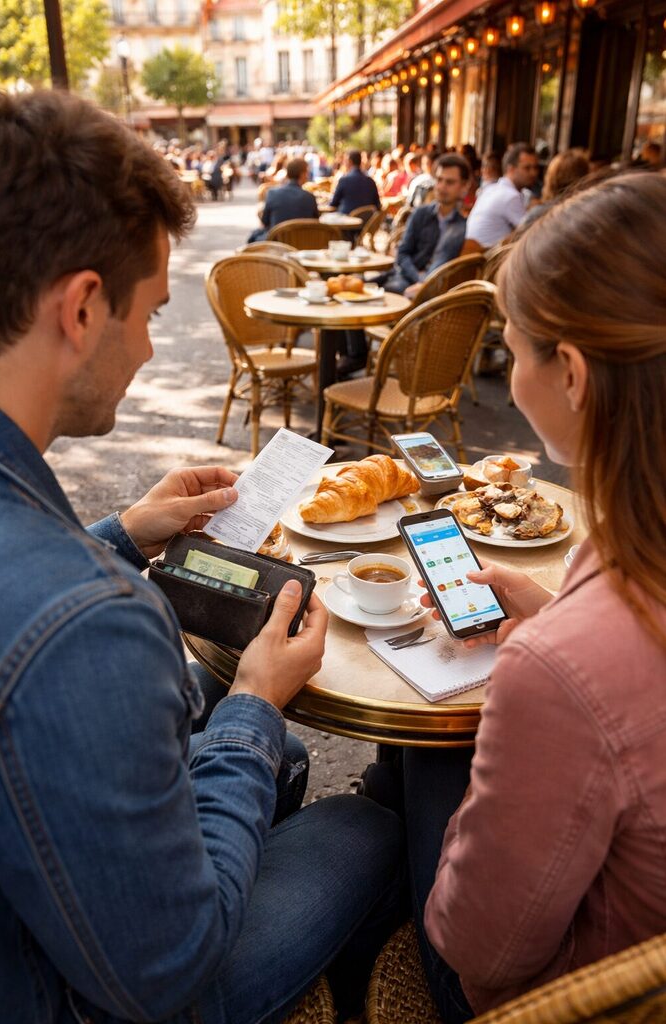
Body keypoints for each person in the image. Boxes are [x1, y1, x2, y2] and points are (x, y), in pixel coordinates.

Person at [0, 87, 406, 1024]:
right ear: (83, 308)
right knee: (371, 818)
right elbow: (163, 975)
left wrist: (124, 535)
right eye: (149, 314)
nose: (145, 348)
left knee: (278, 759)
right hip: (79, 997)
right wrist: (254, 702)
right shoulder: (89, 626)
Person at [403, 171, 666, 1023]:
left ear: (575, 375)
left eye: (512, 351)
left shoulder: (564, 666)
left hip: (564, 998)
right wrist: (555, 619)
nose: (510, 378)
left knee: (405, 763)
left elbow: (480, 950)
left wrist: (545, 654)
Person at [381, 154, 471, 297]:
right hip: (408, 279)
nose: (442, 186)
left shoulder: (464, 226)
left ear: (464, 187)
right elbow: (403, 253)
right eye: (439, 180)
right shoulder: (421, 213)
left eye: (450, 182)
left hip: (439, 293)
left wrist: (425, 285)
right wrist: (419, 279)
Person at [463, 141, 539, 252]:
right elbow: (532, 236)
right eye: (527, 168)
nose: (533, 173)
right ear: (510, 169)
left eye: (535, 168)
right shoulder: (510, 196)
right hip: (484, 262)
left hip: (474, 258)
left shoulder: (492, 189)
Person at [247, 157, 318, 242]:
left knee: (254, 236)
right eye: (307, 172)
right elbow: (315, 223)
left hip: (276, 244)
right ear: (303, 174)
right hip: (303, 243)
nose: (308, 175)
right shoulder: (309, 197)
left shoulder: (272, 193)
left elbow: (265, 222)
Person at [518, 147, 590, 229]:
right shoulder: (589, 214)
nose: (533, 173)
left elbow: (517, 239)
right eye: (527, 168)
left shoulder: (540, 214)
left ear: (551, 179)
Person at [329, 149, 381, 214]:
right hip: (368, 222)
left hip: (346, 222)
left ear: (349, 162)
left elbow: (333, 204)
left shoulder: (344, 180)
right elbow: (378, 206)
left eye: (345, 161)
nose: (344, 164)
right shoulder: (371, 181)